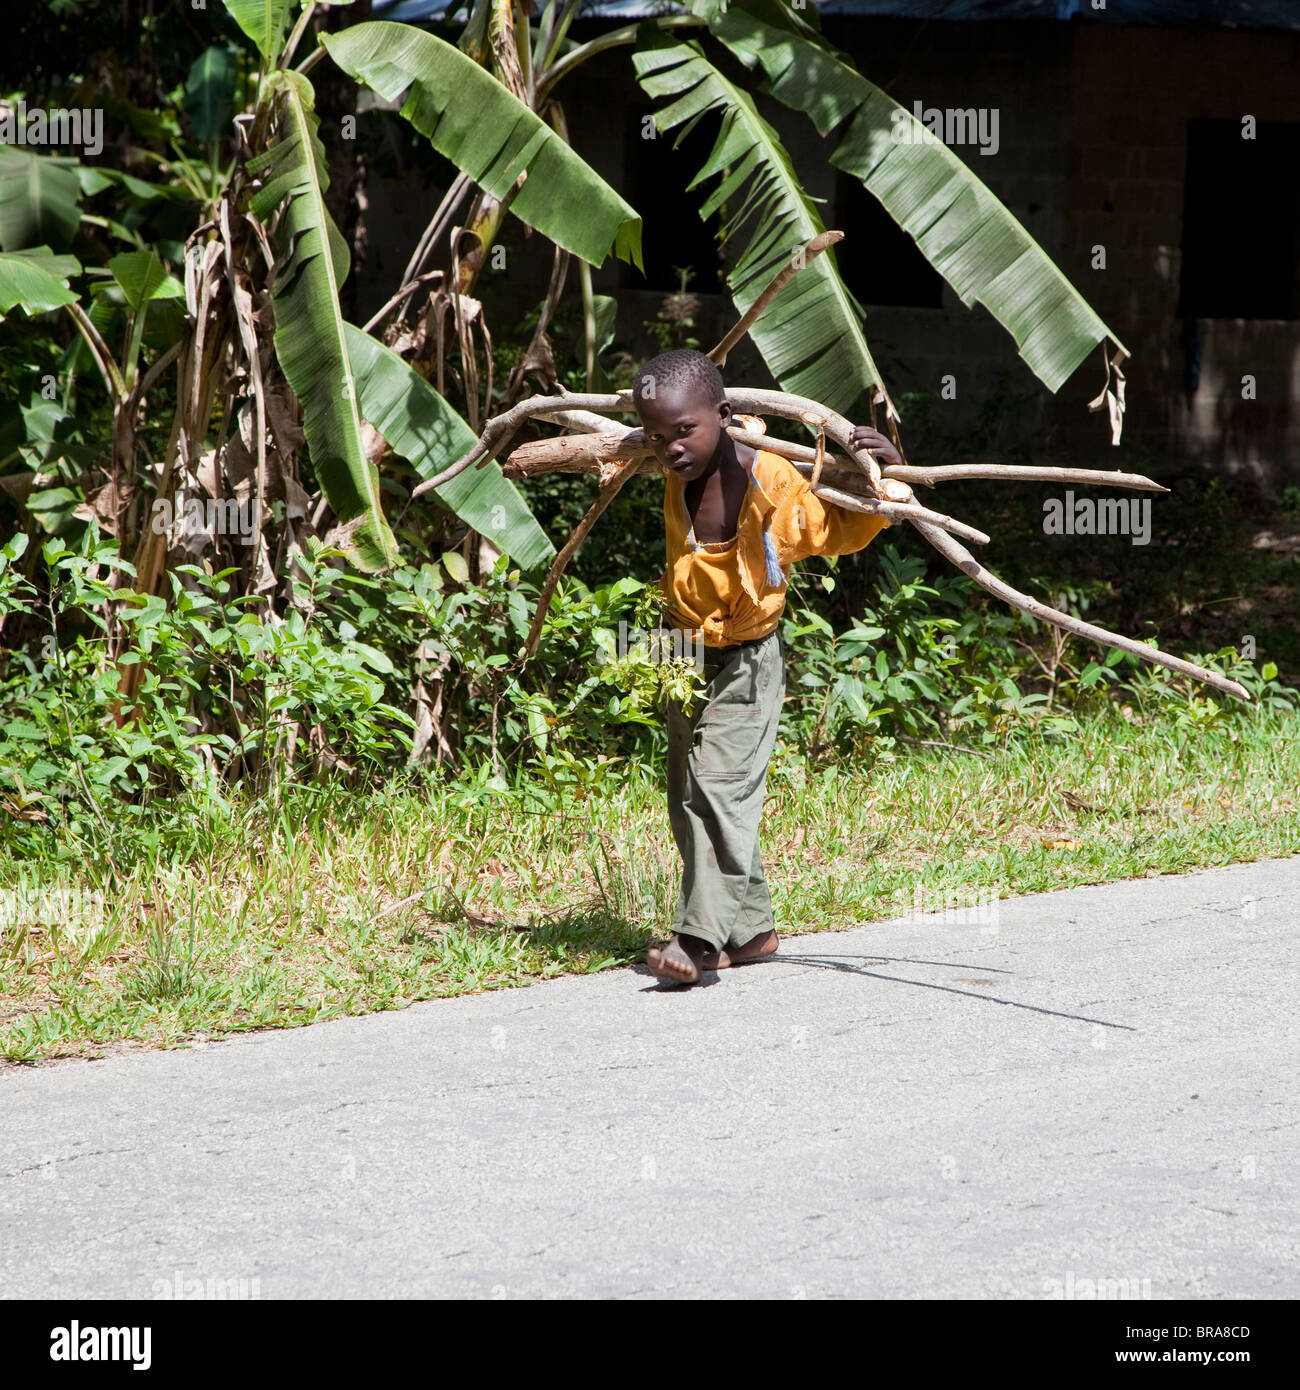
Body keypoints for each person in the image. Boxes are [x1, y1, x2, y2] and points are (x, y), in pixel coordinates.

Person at [634, 349, 900, 986]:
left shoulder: (770, 480)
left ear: (724, 416)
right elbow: (658, 429)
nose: (670, 448)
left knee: (721, 789)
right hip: (683, 652)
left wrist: (883, 474)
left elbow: (836, 527)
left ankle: (697, 942)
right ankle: (750, 931)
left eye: (684, 431)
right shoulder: (674, 467)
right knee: (687, 795)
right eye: (656, 436)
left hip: (749, 659)